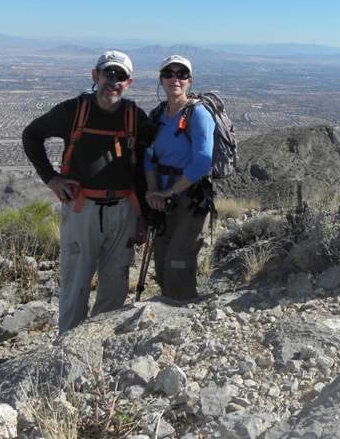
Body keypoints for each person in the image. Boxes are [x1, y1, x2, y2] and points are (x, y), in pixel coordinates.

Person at [22, 51, 149, 334]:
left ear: (129, 83)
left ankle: (100, 345)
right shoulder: (73, 111)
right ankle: (67, 351)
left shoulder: (135, 117)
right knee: (76, 284)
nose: (113, 82)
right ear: (95, 76)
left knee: (116, 285)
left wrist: (143, 217)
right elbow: (31, 135)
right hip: (82, 210)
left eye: (121, 77)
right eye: (108, 74)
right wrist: (51, 179)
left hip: (124, 212)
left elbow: (144, 169)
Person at [144, 55, 215, 301]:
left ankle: (184, 313)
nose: (175, 78)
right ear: (161, 80)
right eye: (169, 74)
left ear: (189, 81)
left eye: (181, 74)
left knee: (177, 260)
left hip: (190, 199)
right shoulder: (156, 115)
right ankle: (167, 314)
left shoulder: (198, 114)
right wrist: (153, 191)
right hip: (163, 200)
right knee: (162, 260)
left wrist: (169, 192)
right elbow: (148, 157)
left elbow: (202, 163)